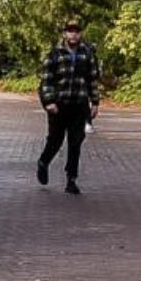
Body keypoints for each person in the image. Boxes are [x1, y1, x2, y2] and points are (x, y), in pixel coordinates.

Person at [36, 19, 100, 194]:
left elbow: (92, 80)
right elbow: (46, 81)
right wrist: (49, 102)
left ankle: (71, 179)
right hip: (59, 105)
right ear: (64, 34)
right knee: (55, 140)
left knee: (75, 142)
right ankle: (43, 162)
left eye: (77, 31)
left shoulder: (87, 54)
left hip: (79, 105)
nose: (74, 34)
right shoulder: (55, 54)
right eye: (70, 31)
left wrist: (95, 103)